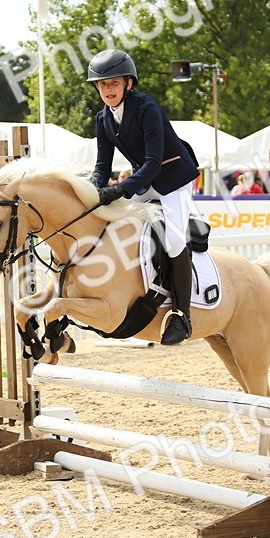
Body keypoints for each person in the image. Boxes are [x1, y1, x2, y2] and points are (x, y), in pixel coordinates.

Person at [87, 49, 200, 345]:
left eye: (113, 83)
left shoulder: (147, 108)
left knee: (174, 240)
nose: (107, 89)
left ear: (128, 83)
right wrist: (94, 191)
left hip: (173, 177)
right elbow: (102, 165)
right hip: (145, 178)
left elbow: (153, 162)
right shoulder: (103, 119)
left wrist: (120, 190)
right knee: (122, 229)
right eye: (102, 85)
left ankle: (181, 315)